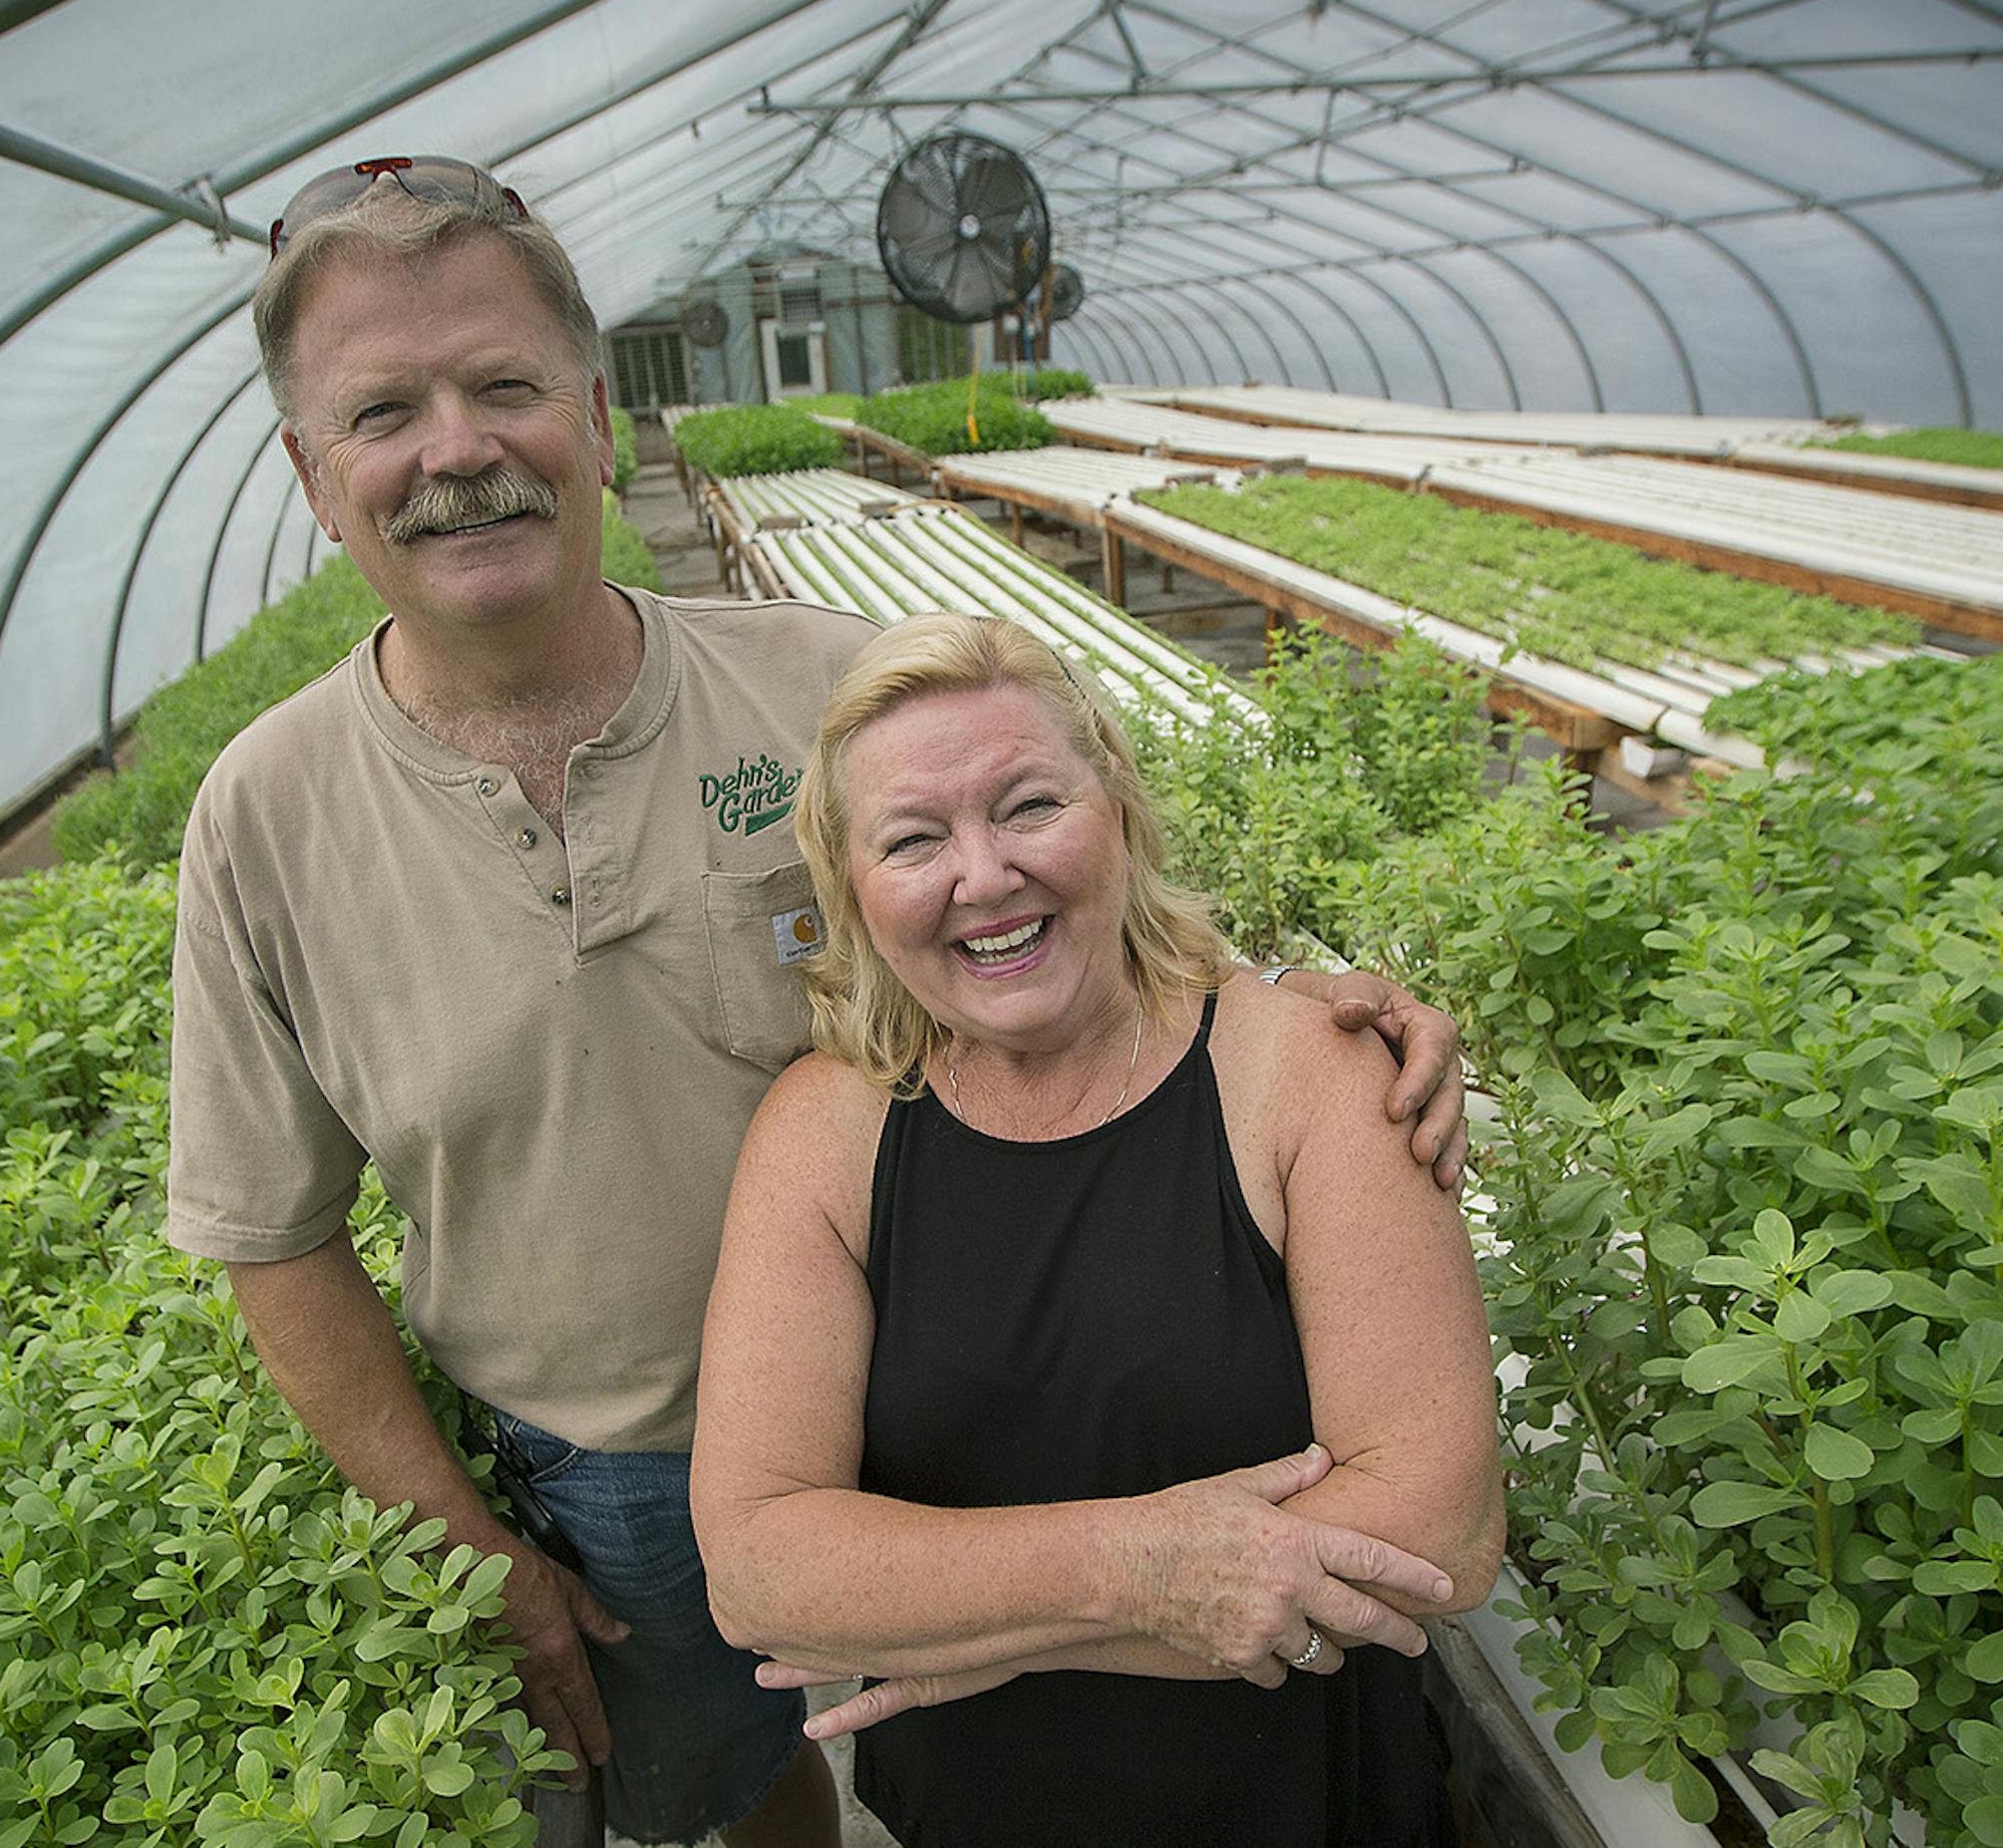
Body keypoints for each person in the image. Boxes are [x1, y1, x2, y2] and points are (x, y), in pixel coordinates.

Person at [166, 154, 1473, 1847]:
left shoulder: (825, 689)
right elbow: (274, 1235)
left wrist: (1309, 1009)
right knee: (741, 1785)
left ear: (598, 409)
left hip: (981, 1376)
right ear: (313, 472)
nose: (459, 450)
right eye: (385, 411)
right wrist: (470, 1548)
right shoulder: (263, 820)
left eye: (505, 386)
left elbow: (1078, 903)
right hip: (624, 1466)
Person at [692, 614, 1503, 1847]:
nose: (983, 874)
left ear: (1116, 806)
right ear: (851, 888)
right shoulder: (828, 1131)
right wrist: (1141, 1571)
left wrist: (974, 1636)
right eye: (914, 838)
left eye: (1027, 806)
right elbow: (760, 1566)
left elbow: (1439, 1524)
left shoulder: (1305, 1074)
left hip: (1299, 1800)